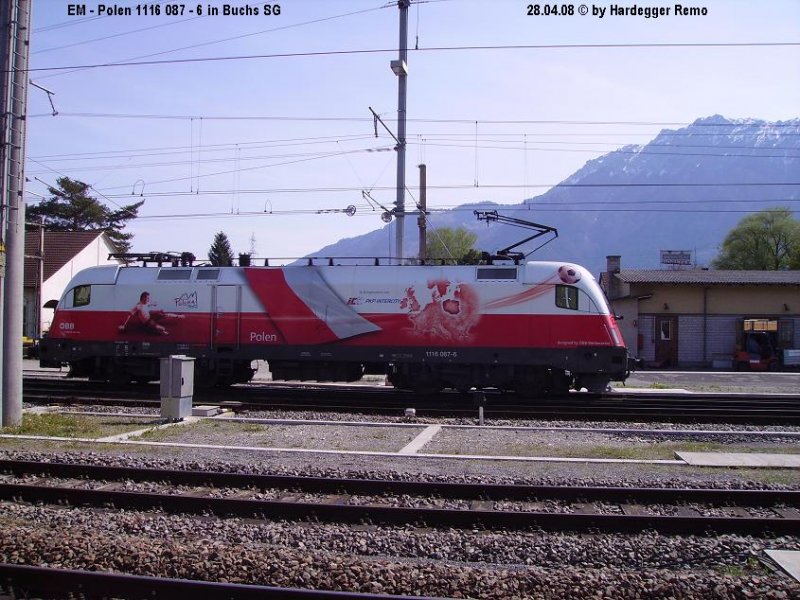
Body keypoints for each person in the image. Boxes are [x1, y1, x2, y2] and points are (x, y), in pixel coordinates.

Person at [118, 292, 183, 335]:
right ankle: (162, 331)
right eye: (148, 298)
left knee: (164, 314)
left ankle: (178, 316)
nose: (149, 299)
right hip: (147, 322)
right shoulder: (138, 306)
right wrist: (123, 325)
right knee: (162, 328)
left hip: (151, 316)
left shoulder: (146, 303)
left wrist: (156, 306)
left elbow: (151, 304)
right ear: (143, 298)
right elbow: (129, 315)